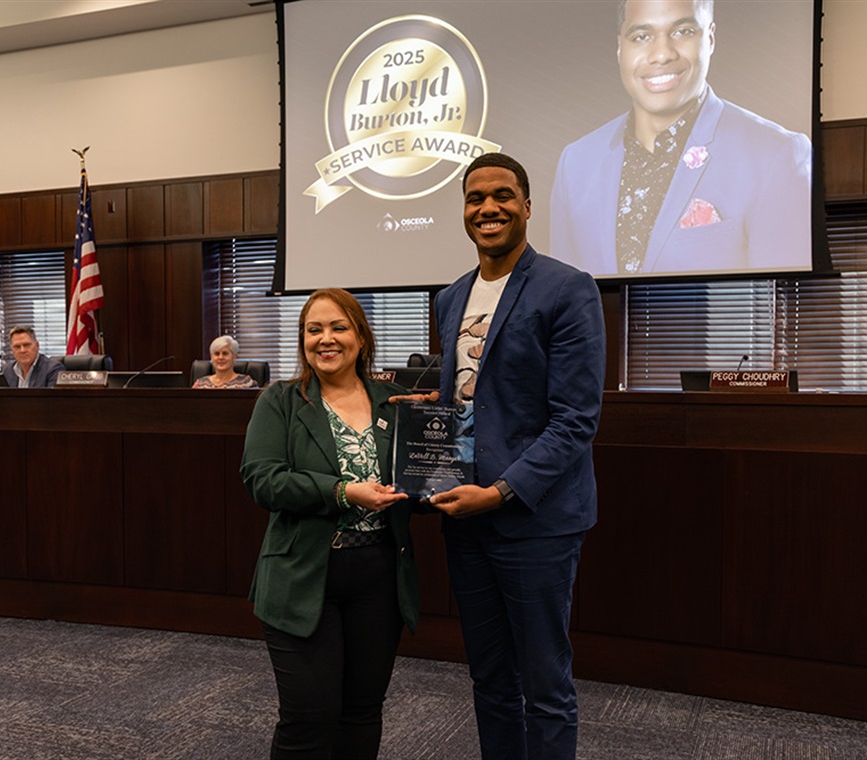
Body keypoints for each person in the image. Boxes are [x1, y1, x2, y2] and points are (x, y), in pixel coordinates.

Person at [430, 153, 606, 759]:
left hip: (535, 522)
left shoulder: (567, 288)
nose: (488, 208)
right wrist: (431, 405)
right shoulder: (451, 298)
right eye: (476, 198)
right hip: (465, 520)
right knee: (489, 681)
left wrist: (500, 492)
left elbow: (576, 420)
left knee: (545, 686)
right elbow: (479, 395)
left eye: (503, 196)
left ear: (527, 206)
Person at [240, 288, 420, 760]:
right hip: (300, 576)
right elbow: (263, 481)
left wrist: (441, 439)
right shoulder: (280, 400)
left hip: (378, 580)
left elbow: (415, 486)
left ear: (361, 336)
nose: (326, 339)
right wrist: (342, 492)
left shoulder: (395, 403)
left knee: (361, 712)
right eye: (313, 329)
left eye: (339, 327)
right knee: (309, 719)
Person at [550, 0, 812, 276]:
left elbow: (786, 305)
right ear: (620, 48)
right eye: (641, 36)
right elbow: (564, 306)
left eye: (682, 31)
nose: (662, 54)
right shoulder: (576, 163)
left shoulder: (776, 156)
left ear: (709, 38)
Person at [192, 335, 258, 389]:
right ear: (211, 357)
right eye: (217, 354)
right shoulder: (199, 384)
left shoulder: (247, 383)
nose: (220, 357)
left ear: (234, 357)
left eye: (225, 353)